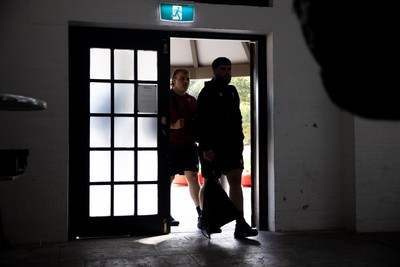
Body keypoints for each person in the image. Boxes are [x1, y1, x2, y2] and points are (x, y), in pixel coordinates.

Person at [196, 57, 258, 238]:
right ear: (214, 71)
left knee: (235, 183)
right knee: (209, 183)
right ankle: (205, 219)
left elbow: (237, 118)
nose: (227, 73)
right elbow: (201, 123)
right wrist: (206, 147)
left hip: (232, 146)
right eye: (223, 69)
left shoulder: (232, 91)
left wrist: (240, 140)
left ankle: (241, 224)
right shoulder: (206, 93)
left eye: (229, 69)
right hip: (211, 147)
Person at [168, 68, 202, 227]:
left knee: (194, 178)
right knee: (168, 179)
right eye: (182, 78)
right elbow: (153, 121)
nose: (186, 82)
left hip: (189, 145)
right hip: (171, 145)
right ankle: (165, 213)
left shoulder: (192, 100)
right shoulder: (165, 98)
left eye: (187, 79)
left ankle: (201, 214)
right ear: (173, 80)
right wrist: (173, 126)